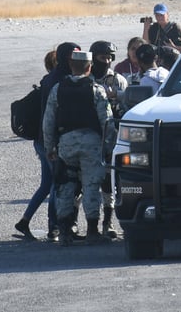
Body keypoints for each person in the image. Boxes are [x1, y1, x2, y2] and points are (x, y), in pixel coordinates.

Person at [43, 49, 115, 246]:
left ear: (71, 65)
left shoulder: (58, 89)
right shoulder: (96, 90)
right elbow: (107, 121)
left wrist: (50, 146)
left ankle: (65, 231)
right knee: (92, 185)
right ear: (89, 67)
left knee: (66, 187)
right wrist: (109, 147)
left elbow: (48, 121)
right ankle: (92, 230)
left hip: (66, 144)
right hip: (92, 144)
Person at [13, 49, 59, 242]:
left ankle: (25, 221)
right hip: (47, 142)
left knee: (46, 185)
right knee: (56, 184)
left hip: (39, 142)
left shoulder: (43, 85)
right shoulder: (53, 87)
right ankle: (53, 227)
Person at [89, 40, 128, 239]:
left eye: (110, 57)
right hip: (90, 135)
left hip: (111, 137)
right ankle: (87, 225)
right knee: (86, 183)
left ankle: (108, 222)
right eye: (103, 57)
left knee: (108, 181)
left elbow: (125, 108)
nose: (107, 61)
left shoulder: (118, 80)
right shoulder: (86, 79)